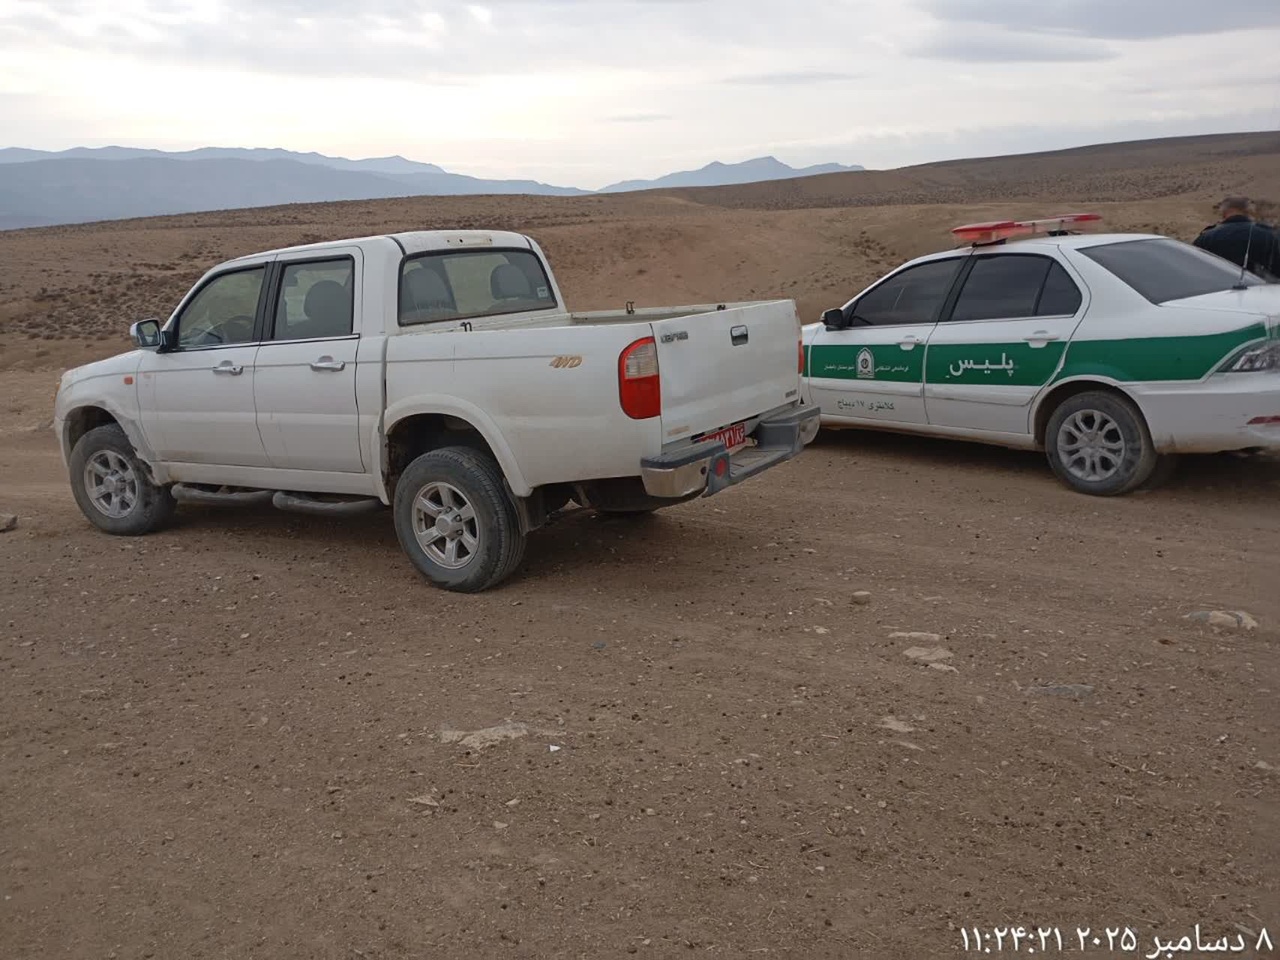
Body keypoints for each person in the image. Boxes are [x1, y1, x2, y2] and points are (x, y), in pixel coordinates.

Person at [1192, 196, 1279, 280]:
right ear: (1248, 211)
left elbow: (1193, 266)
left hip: (1218, 290)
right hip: (1263, 291)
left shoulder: (1207, 237)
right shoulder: (1270, 234)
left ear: (1224, 212)